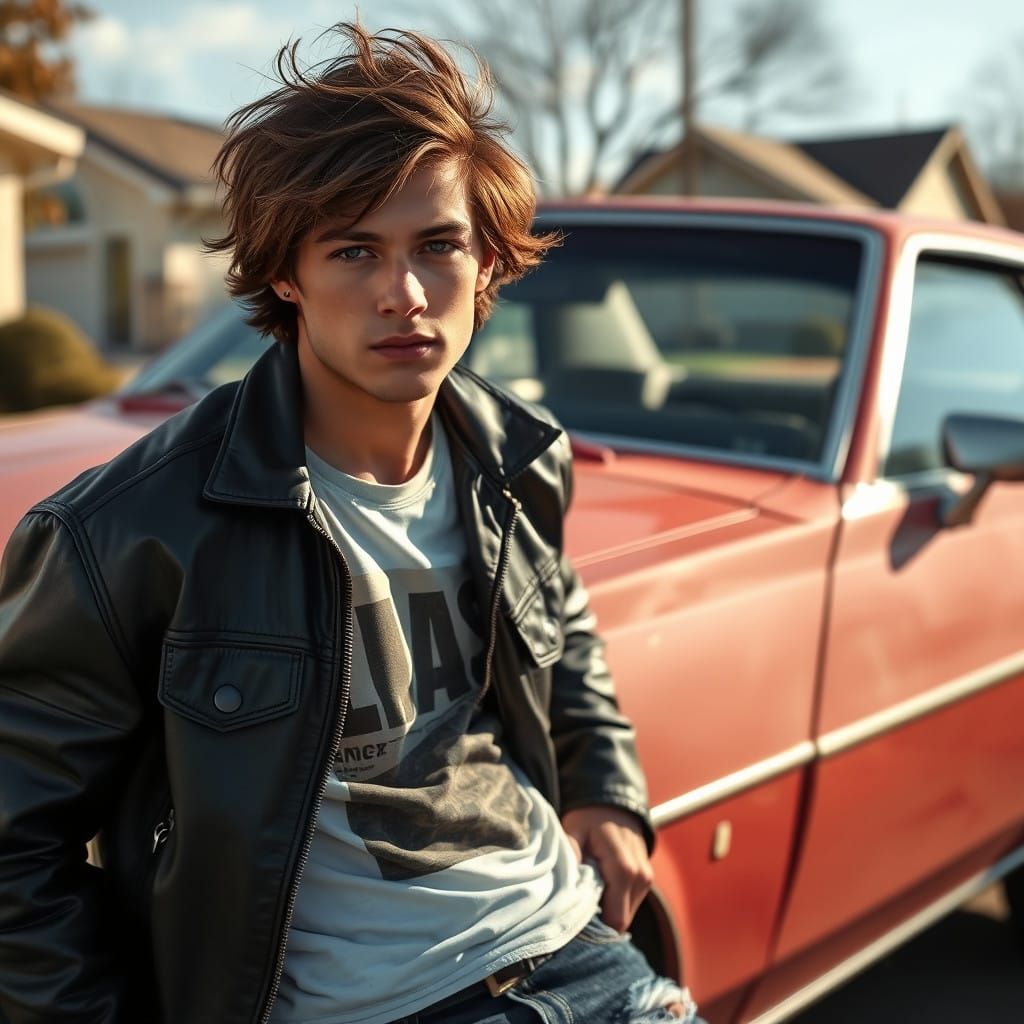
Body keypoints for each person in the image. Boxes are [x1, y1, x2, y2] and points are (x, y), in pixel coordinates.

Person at [0, 23, 703, 1024]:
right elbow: (13, 845)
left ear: (489, 259)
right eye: (353, 250)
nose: (404, 294)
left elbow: (563, 627)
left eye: (437, 245)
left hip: (575, 948)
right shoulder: (130, 533)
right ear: (284, 273)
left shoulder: (513, 462)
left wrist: (605, 785)